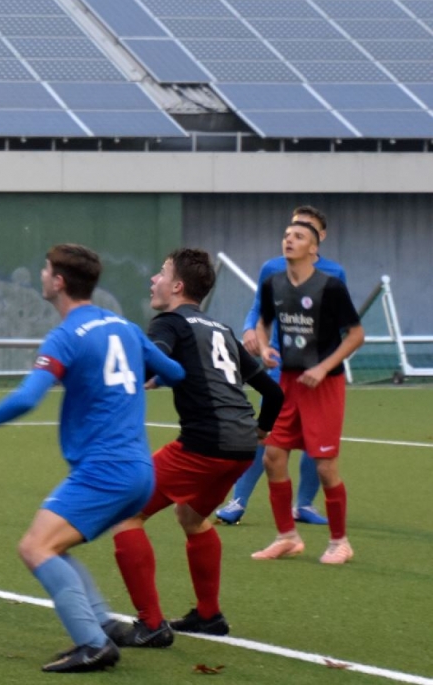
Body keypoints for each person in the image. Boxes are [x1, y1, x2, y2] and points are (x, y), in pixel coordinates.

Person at [0, 244, 185, 674]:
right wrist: (141, 378)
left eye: (46, 270)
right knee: (54, 545)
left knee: (35, 547)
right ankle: (102, 623)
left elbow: (27, 398)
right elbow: (176, 372)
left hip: (105, 471)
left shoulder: (65, 336)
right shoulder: (124, 326)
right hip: (139, 471)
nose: (42, 275)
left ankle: (93, 644)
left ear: (59, 282)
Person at [109, 249, 283, 647]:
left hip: (205, 444)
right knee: (191, 516)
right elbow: (273, 393)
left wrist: (132, 374)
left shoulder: (169, 322)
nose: (153, 279)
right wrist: (259, 431)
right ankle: (209, 616)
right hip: (241, 447)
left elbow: (156, 359)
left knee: (125, 512)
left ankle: (151, 625)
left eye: (161, 273)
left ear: (177, 286)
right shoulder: (220, 328)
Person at [217, 206, 347, 526]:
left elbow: (343, 324)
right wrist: (251, 331)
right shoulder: (272, 268)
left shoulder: (334, 273)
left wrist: (326, 361)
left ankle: (304, 506)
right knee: (267, 434)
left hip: (317, 373)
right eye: (292, 228)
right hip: (280, 368)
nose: (293, 236)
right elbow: (258, 309)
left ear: (319, 238)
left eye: (305, 229)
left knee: (316, 444)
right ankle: (238, 500)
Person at [251, 220, 363, 564]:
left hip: (323, 386)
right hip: (289, 382)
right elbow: (262, 322)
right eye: (286, 235)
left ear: (313, 248)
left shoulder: (330, 286)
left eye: (298, 236)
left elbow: (356, 335)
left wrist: (324, 367)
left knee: (325, 466)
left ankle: (340, 542)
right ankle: (287, 536)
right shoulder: (273, 283)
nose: (289, 240)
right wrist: (265, 347)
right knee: (273, 456)